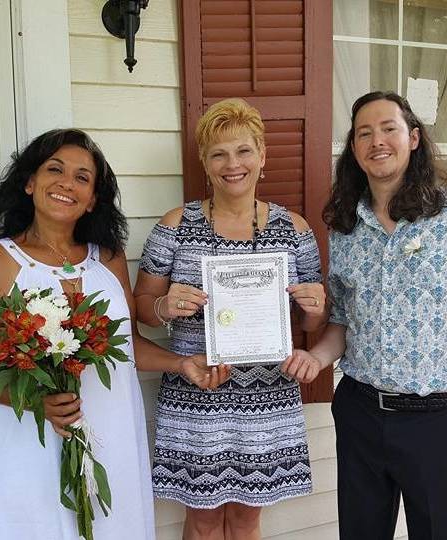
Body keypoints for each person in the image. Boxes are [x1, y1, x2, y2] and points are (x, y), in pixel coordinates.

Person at [0, 129, 227, 540]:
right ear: (29, 182)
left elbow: (125, 347)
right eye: (54, 169)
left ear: (92, 199)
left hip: (111, 433)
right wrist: (36, 402)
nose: (66, 183)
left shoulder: (106, 257)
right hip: (30, 439)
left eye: (82, 177)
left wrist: (181, 364)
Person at [282, 91, 447, 540]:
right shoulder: (345, 226)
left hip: (438, 420)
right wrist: (317, 358)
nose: (377, 141)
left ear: (413, 138)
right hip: (361, 414)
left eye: (388, 128)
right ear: (354, 149)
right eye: (364, 133)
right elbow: (344, 322)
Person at [133, 98, 327, 540]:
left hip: (267, 393)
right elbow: (143, 305)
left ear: (262, 156)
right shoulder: (176, 225)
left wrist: (315, 309)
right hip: (197, 389)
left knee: (246, 518)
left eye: (243, 151)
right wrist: (164, 306)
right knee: (202, 519)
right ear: (204, 161)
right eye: (218, 153)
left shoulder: (293, 229)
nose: (232, 164)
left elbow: (312, 323)